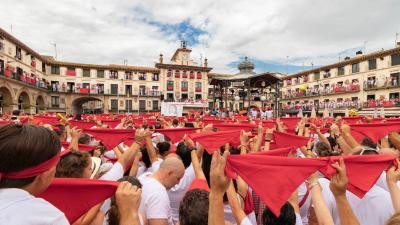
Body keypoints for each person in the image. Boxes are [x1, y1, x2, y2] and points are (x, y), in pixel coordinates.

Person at [138, 157, 185, 225]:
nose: (178, 183)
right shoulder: (159, 193)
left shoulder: (144, 176)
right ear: (169, 173)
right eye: (178, 178)